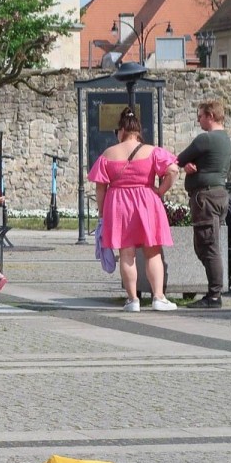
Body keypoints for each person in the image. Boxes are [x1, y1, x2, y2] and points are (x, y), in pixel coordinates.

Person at [88, 106, 179, 313]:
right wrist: (160, 190)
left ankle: (133, 300)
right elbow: (173, 169)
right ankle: (158, 297)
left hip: (118, 204)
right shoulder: (152, 151)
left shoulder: (108, 154)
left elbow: (100, 187)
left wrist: (102, 214)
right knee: (152, 252)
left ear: (121, 130)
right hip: (147, 201)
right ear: (138, 131)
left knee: (126, 253)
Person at [176, 99, 231, 308]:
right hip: (219, 195)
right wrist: (194, 166)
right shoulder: (225, 139)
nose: (198, 119)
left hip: (205, 198)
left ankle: (214, 295)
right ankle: (214, 291)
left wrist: (187, 166)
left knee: (208, 247)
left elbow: (178, 159)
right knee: (208, 246)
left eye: (200, 115)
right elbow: (208, 163)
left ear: (210, 115)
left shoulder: (205, 139)